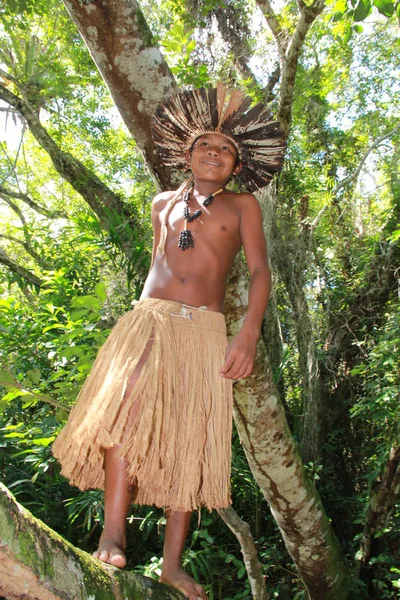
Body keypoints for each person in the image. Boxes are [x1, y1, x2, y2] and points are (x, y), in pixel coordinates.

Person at [52, 83, 285, 600]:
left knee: (190, 438)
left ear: (237, 166)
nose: (215, 153)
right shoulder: (162, 202)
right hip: (150, 321)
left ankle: (172, 567)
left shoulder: (243, 205)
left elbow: (260, 270)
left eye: (227, 150)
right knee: (125, 413)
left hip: (204, 330)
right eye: (207, 144)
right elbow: (162, 263)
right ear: (188, 152)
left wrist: (247, 331)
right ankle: (112, 534)